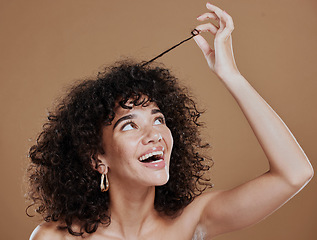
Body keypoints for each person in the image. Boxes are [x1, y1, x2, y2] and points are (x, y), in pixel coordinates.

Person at [28, 3, 313, 240]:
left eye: (158, 119)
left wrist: (231, 76)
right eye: (129, 124)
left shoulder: (193, 220)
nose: (154, 135)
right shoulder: (55, 237)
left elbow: (295, 174)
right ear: (97, 158)